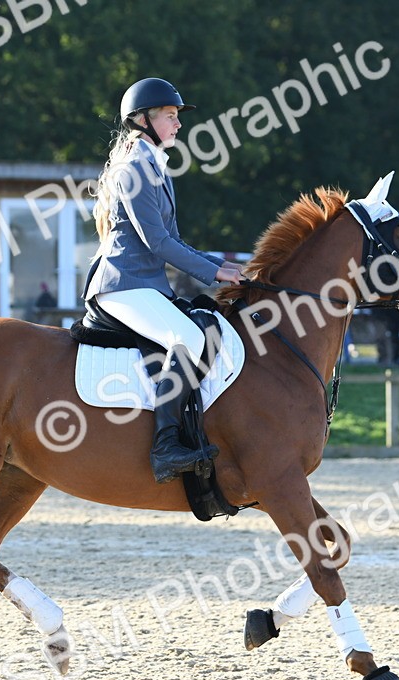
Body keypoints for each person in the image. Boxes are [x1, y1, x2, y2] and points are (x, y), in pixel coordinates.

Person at [85, 77, 245, 483]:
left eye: (177, 117)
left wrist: (222, 267)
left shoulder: (155, 165)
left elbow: (174, 240)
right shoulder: (133, 169)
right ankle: (166, 448)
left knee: (204, 331)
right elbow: (156, 242)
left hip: (144, 285)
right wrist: (213, 272)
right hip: (123, 285)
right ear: (142, 120)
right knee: (189, 339)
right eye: (171, 116)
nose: (178, 124)